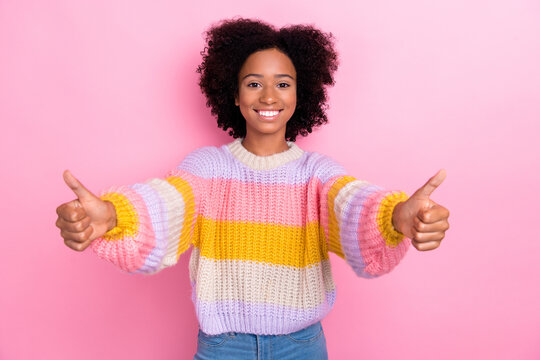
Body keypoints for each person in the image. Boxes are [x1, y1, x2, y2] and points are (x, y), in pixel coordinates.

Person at [55, 18, 450, 360]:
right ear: (234, 94)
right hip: (224, 347)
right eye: (253, 83)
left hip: (303, 345)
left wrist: (395, 216)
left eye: (283, 83)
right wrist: (112, 215)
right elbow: (165, 201)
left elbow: (353, 203)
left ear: (301, 94)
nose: (268, 96)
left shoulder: (317, 174)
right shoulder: (208, 168)